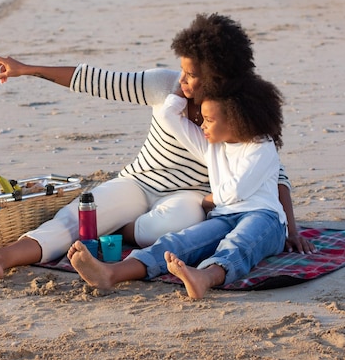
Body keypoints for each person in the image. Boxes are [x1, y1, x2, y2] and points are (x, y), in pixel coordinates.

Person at [0, 13, 313, 280]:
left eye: (192, 75)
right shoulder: (162, 86)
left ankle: (119, 237)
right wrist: (26, 69)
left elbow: (271, 170)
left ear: (219, 76)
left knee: (172, 225)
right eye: (182, 71)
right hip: (139, 183)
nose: (182, 81)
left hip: (191, 198)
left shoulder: (240, 112)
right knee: (79, 216)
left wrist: (290, 228)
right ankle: (1, 257)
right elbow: (96, 80)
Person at [67, 74, 288, 299]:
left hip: (265, 217)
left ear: (234, 120)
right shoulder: (211, 144)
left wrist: (208, 200)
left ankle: (205, 277)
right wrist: (183, 88)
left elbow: (237, 191)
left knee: (239, 243)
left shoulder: (261, 146)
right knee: (179, 242)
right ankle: (112, 273)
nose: (202, 125)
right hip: (223, 217)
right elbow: (167, 116)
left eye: (209, 120)